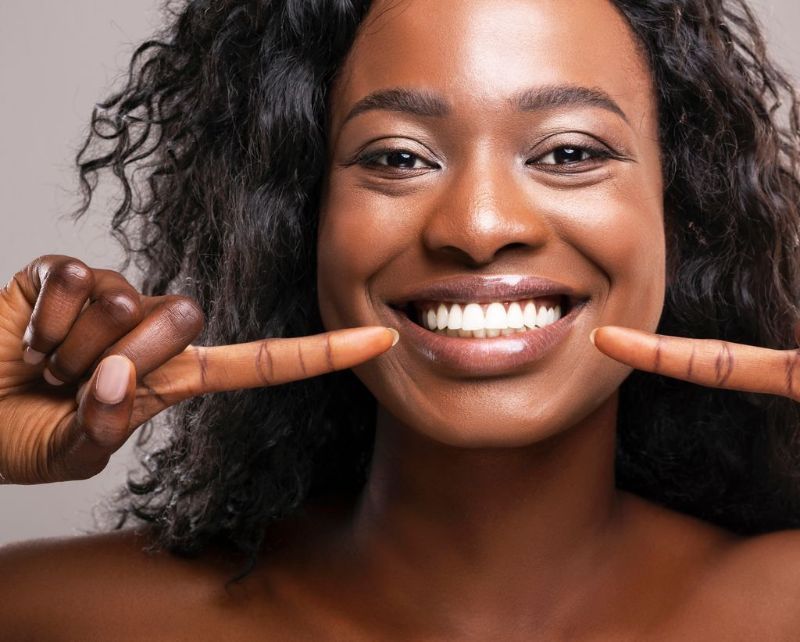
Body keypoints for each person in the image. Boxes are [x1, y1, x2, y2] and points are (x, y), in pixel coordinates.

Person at [2, 0, 800, 638]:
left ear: (682, 209)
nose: (480, 226)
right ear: (302, 218)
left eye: (569, 153)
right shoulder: (51, 615)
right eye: (397, 157)